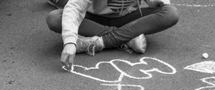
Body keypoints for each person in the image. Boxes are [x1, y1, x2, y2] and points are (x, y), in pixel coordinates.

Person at [46, 0, 179, 71]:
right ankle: (127, 38)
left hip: (127, 18)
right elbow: (74, 7)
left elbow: (158, 4)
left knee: (170, 13)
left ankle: (99, 42)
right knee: (55, 18)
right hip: (96, 19)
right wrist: (69, 42)